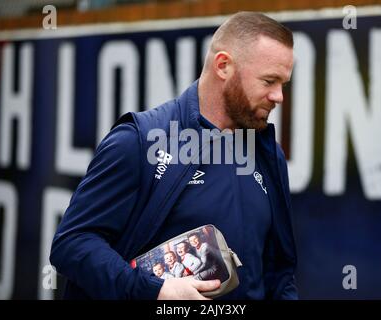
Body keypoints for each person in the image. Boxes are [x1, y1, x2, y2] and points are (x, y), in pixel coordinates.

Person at [50, 11, 298, 300]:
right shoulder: (139, 141)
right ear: (223, 66)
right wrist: (156, 292)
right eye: (269, 81)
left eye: (283, 84)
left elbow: (279, 273)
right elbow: (72, 244)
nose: (279, 96)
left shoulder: (268, 154)